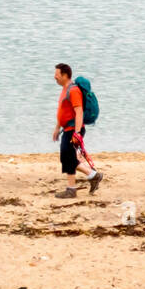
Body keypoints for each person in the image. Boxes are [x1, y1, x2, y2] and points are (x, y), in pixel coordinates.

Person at [53, 63, 102, 198]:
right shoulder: (65, 89)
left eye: (56, 75)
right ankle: (92, 176)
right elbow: (63, 111)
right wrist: (57, 128)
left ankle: (72, 189)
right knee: (66, 158)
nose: (54, 77)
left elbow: (79, 111)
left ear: (64, 75)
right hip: (67, 129)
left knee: (67, 157)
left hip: (73, 130)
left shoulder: (73, 90)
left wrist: (77, 133)